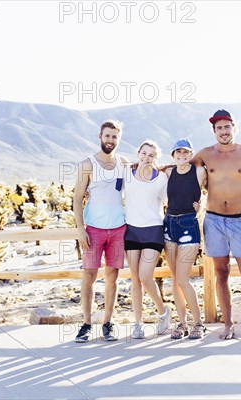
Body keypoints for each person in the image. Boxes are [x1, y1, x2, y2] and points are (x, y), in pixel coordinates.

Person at [191, 109, 241, 341]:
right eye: (219, 128)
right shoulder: (206, 154)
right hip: (214, 220)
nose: (223, 131)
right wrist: (149, 167)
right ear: (214, 131)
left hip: (240, 221)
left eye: (227, 127)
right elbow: (182, 168)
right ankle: (227, 325)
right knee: (221, 273)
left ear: (233, 128)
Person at [73, 120, 128, 343]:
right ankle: (86, 323)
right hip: (93, 229)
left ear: (119, 139)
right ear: (100, 136)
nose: (110, 140)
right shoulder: (87, 164)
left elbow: (142, 179)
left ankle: (108, 322)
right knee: (89, 276)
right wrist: (80, 229)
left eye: (114, 137)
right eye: (107, 136)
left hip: (118, 229)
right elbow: (77, 198)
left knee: (112, 278)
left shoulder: (124, 163)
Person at [123, 140, 171, 339]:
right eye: (144, 153)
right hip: (131, 231)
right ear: (138, 153)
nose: (146, 158)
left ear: (156, 158)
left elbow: (171, 201)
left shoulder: (161, 178)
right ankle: (137, 324)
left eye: (151, 155)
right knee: (135, 280)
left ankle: (163, 312)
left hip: (153, 230)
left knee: (145, 276)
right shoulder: (127, 174)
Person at [163, 139, 208, 340]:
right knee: (175, 281)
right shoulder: (168, 172)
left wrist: (203, 205)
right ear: (173, 155)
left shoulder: (198, 172)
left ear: (191, 155)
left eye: (186, 152)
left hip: (189, 225)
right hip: (169, 225)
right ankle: (182, 324)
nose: (182, 155)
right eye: (178, 152)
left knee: (183, 279)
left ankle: (198, 323)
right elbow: (147, 171)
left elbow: (213, 188)